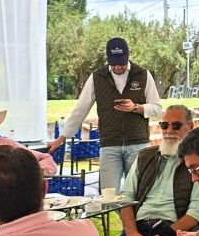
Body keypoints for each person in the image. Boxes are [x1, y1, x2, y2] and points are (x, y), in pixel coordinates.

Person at [98, 104, 199, 236]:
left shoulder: (197, 162)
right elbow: (126, 198)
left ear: (190, 127)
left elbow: (196, 213)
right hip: (138, 230)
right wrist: (131, 233)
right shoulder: (145, 157)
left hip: (173, 231)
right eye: (164, 125)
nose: (169, 131)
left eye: (176, 125)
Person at [47, 37, 162, 193]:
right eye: (113, 62)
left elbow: (156, 108)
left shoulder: (143, 74)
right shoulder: (97, 77)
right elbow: (81, 109)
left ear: (129, 54)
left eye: (121, 62)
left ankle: (137, 218)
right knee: (108, 194)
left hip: (138, 144)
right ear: (107, 57)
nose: (118, 66)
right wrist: (61, 138)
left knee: (140, 193)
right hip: (109, 145)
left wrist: (135, 108)